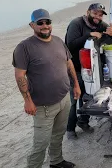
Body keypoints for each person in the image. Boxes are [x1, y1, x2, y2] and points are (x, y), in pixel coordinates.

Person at [12, 9, 79, 168]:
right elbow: (20, 76)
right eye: (40, 23)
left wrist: (75, 85)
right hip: (43, 106)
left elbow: (69, 63)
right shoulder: (24, 48)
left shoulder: (57, 41)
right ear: (32, 25)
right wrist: (27, 101)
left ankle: (56, 161)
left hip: (64, 99)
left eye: (47, 22)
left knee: (58, 134)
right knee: (40, 144)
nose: (44, 26)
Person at [65, 3, 112, 139]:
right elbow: (70, 46)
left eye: (100, 14)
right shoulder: (76, 23)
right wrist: (89, 35)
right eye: (95, 13)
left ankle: (83, 122)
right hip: (75, 68)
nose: (98, 17)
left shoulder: (101, 24)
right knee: (76, 98)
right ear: (88, 12)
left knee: (90, 95)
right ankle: (70, 129)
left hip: (91, 69)